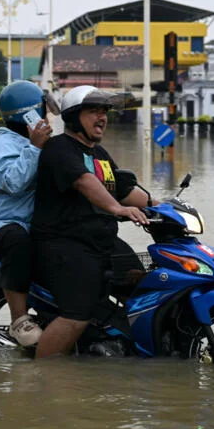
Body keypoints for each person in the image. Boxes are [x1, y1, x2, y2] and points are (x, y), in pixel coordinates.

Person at [31, 85, 151, 359]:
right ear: (74, 117)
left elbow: (123, 189)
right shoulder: (59, 148)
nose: (102, 117)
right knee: (78, 313)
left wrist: (163, 206)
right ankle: (41, 373)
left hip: (102, 241)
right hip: (65, 243)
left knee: (142, 285)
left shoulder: (99, 154)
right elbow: (85, 181)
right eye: (94, 111)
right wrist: (117, 209)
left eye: (104, 112)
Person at [0, 80, 53, 347]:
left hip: (36, 223)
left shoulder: (40, 143)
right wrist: (35, 147)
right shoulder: (2, 144)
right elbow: (13, 182)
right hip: (0, 223)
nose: (48, 117)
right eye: (43, 111)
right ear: (30, 114)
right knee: (17, 242)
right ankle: (19, 320)